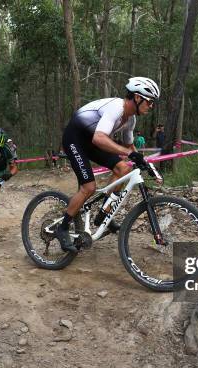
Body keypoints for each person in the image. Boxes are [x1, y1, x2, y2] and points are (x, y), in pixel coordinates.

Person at [56, 76, 158, 252]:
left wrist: (142, 161)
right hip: (75, 138)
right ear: (137, 97)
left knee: (124, 168)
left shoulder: (131, 119)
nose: (151, 106)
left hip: (91, 141)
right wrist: (129, 153)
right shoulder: (116, 108)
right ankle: (62, 228)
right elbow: (100, 138)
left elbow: (129, 146)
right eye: (149, 102)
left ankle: (104, 214)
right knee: (88, 187)